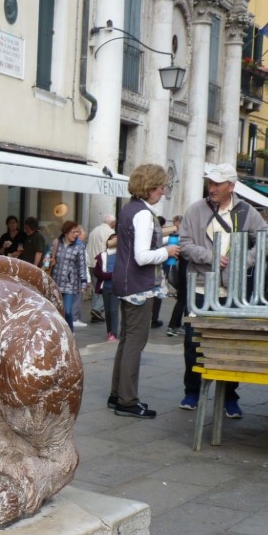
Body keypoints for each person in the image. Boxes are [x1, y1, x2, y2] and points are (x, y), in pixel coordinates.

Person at [178, 163, 268, 417]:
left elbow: (267, 238)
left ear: (232, 186)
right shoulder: (195, 209)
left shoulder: (246, 211)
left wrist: (244, 260)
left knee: (230, 342)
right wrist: (210, 256)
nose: (212, 188)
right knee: (192, 342)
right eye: (210, 183)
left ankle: (229, 396)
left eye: (217, 183)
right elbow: (184, 243)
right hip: (199, 285)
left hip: (232, 289)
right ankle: (192, 391)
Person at [108, 163, 179, 419]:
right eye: (161, 188)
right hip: (138, 285)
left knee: (126, 340)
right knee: (135, 343)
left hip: (125, 283)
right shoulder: (144, 215)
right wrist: (167, 251)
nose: (163, 193)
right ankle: (127, 400)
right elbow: (142, 256)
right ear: (150, 188)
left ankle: (117, 395)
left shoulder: (129, 209)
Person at [51, 220, 89, 331]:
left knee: (67, 310)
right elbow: (49, 256)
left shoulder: (79, 246)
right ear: (66, 233)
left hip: (70, 284)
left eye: (77, 232)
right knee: (56, 310)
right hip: (56, 282)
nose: (76, 234)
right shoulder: (57, 242)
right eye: (73, 232)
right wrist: (48, 261)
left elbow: (82, 265)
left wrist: (83, 282)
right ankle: (59, 333)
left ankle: (70, 333)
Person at [85, 214, 116, 322]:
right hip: (103, 263)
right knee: (105, 287)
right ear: (112, 223)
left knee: (95, 289)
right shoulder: (110, 233)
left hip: (92, 262)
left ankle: (95, 312)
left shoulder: (94, 230)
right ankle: (97, 309)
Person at [92, 232, 118, 341]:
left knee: (113, 310)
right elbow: (97, 272)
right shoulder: (102, 256)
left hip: (117, 287)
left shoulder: (123, 256)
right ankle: (109, 331)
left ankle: (114, 333)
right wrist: (110, 275)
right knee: (107, 311)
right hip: (106, 287)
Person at [165, 215, 186, 336]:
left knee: (181, 300)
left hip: (180, 272)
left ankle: (175, 325)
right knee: (182, 301)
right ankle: (174, 325)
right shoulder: (181, 237)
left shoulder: (178, 236)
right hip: (184, 273)